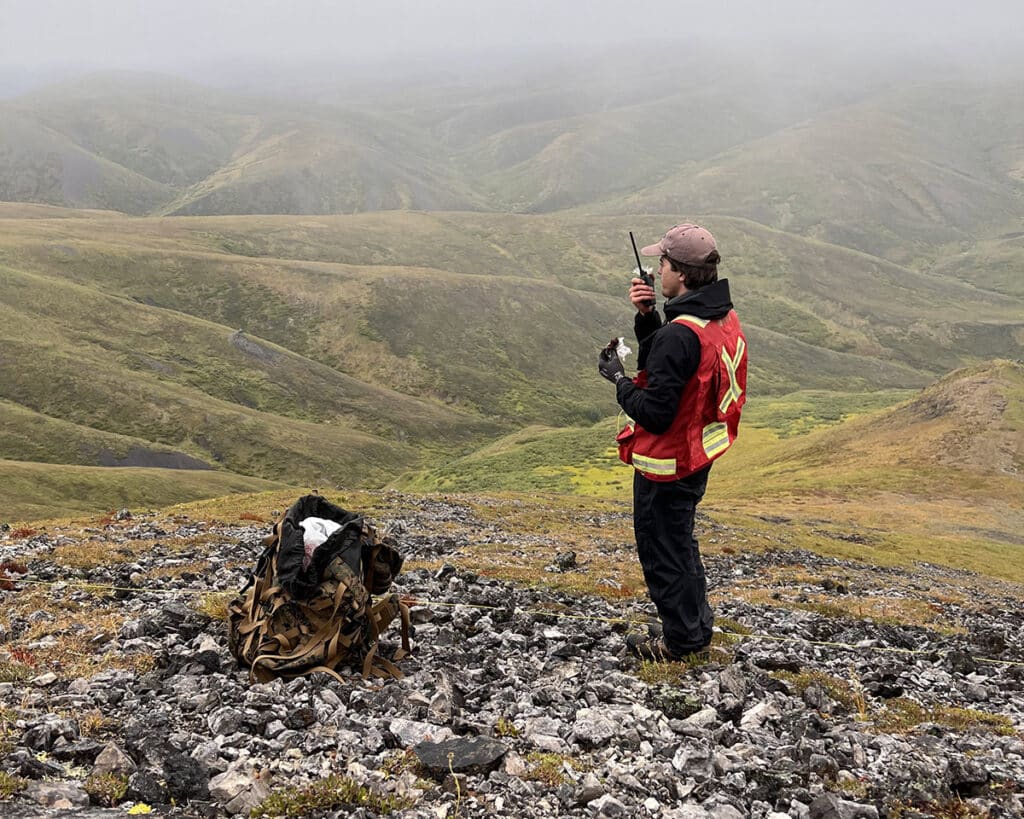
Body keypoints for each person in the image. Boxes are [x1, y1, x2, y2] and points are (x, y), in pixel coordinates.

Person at [598, 223, 747, 662]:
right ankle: (695, 627)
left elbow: (656, 411)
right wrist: (648, 320)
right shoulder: (719, 317)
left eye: (661, 263)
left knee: (663, 548)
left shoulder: (679, 334)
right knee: (680, 541)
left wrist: (618, 380)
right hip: (699, 452)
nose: (655, 271)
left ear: (679, 273)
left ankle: (680, 642)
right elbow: (673, 367)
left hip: (669, 462)